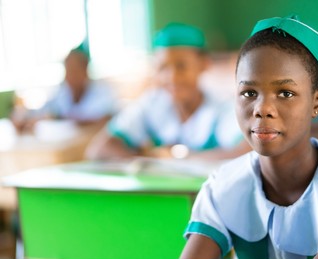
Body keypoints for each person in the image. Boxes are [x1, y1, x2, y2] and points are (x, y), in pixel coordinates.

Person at [180, 15, 318, 259]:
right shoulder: (221, 186)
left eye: (285, 93)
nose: (262, 108)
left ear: (317, 102)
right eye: (249, 92)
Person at [85, 23, 250, 161]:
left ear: (204, 64)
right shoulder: (150, 105)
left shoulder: (222, 108)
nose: (172, 77)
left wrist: (176, 159)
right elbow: (99, 149)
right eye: (163, 67)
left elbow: (247, 151)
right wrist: (147, 161)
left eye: (181, 66)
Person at [12, 45, 118, 132]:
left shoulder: (102, 91)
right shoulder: (62, 92)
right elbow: (44, 110)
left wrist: (57, 118)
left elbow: (102, 119)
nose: (70, 77)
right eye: (67, 71)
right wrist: (24, 116)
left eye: (74, 70)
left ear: (85, 71)